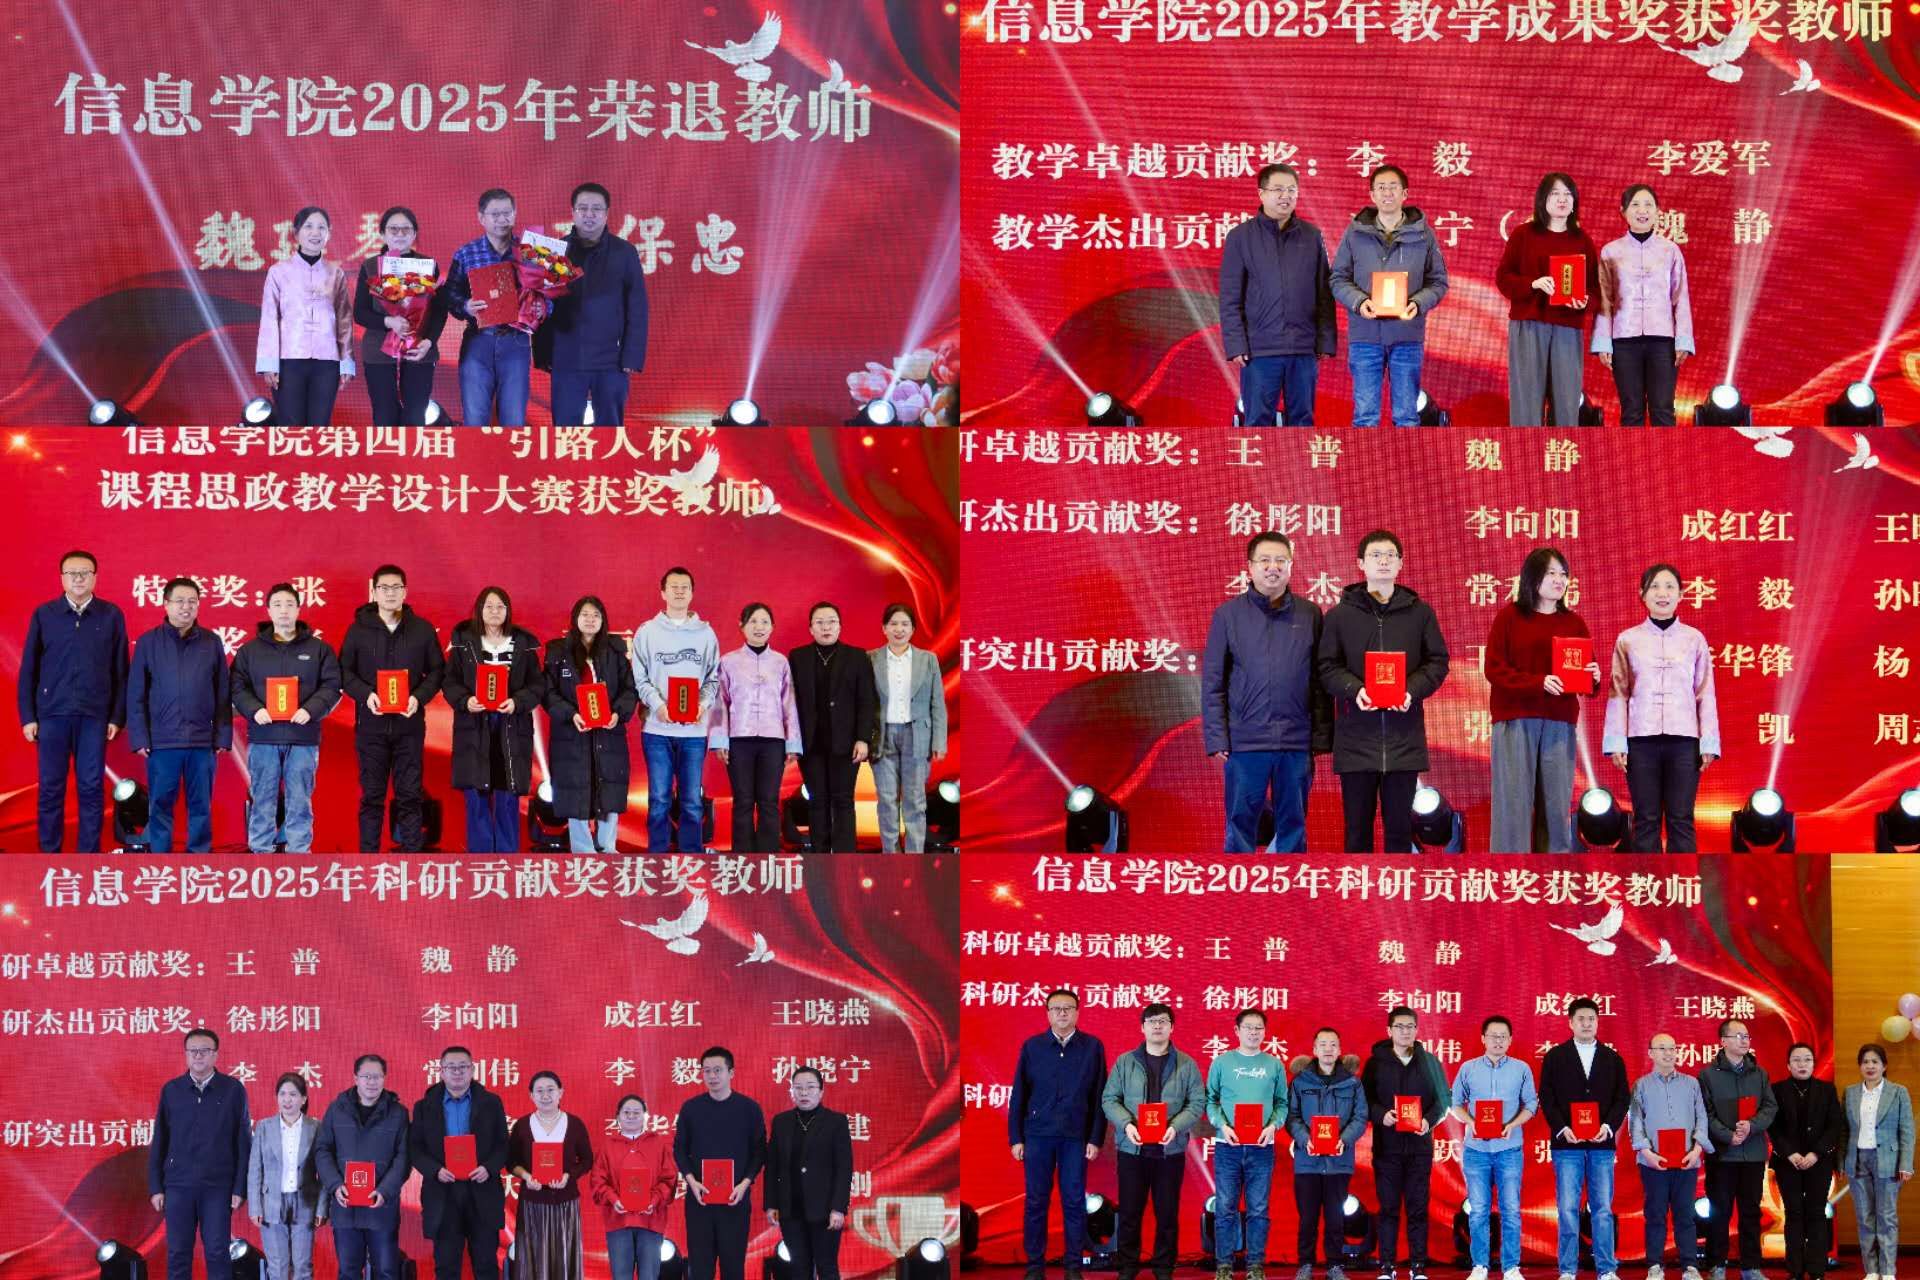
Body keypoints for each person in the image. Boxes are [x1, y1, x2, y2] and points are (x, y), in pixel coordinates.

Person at [1317, 530, 1449, 852]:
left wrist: (1411, 691)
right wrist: (1355, 690)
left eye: (1391, 555)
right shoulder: (1339, 616)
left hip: (1404, 741)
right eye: (1375, 555)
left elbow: (1437, 662)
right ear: (1360, 563)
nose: (1384, 561)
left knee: (1400, 836)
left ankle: (1397, 888)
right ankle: (1358, 888)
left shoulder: (1421, 614)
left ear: (1401, 563)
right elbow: (1327, 666)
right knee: (1357, 835)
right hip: (1356, 741)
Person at [1204, 532, 1332, 853]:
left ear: (1290, 566)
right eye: (1264, 560)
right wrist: (1218, 738)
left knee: (1293, 825)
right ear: (1250, 567)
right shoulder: (1228, 615)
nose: (1272, 567)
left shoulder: (1310, 614)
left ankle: (1290, 884)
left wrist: (1320, 737)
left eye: (1280, 560)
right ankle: (1239, 883)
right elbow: (1214, 682)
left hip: (1296, 742)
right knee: (1240, 824)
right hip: (1246, 742)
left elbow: (1319, 681)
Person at [1485, 548, 1603, 853]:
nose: (1559, 580)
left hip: (1559, 721)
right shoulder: (1510, 617)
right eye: (1551, 573)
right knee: (1513, 801)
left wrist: (1593, 676)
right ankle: (1510, 870)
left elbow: (1583, 675)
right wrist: (1538, 682)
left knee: (1556, 802)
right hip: (1516, 718)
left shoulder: (1573, 622)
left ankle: (1554, 871)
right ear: (1532, 577)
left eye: (1563, 574)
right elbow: (1494, 669)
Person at [1603, 564, 1720, 853]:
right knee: (1646, 819)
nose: (1662, 593)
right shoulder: (1628, 640)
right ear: (1642, 594)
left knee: (1681, 818)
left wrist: (1708, 742)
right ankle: (1648, 880)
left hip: (1684, 742)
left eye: (1669, 587)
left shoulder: (1694, 639)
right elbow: (1618, 692)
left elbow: (1705, 692)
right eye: (1654, 587)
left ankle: (1683, 880)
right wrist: (1617, 742)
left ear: (1681, 595)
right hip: (1641, 741)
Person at [20, 549, 127, 851]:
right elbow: (29, 669)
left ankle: (88, 857)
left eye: (85, 573)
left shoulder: (111, 615)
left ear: (95, 577)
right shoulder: (45, 615)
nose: (78, 578)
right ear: (62, 578)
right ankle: (50, 855)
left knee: (91, 787)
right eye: (72, 573)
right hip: (51, 715)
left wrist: (116, 716)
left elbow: (121, 670)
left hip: (94, 716)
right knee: (51, 788)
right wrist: (28, 716)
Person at [1329, 165, 1450, 427]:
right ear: (1372, 195)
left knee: (1406, 417)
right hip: (1365, 336)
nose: (1387, 193)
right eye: (1381, 188)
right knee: (1365, 417)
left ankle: (1404, 457)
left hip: (1407, 335)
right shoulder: (1355, 233)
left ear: (1405, 193)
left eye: (1393, 187)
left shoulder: (1423, 234)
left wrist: (1417, 303)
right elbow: (1337, 278)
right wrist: (1360, 302)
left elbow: (1439, 282)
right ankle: (1364, 457)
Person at [1219, 162, 1337, 425]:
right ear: (1261, 194)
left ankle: (1300, 457)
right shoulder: (1241, 237)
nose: (1286, 196)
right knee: (1258, 422)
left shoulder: (1312, 236)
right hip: (1260, 350)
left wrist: (1325, 341)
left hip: (1303, 349)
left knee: (1303, 421)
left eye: (1292, 190)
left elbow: (1324, 294)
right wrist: (1236, 344)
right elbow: (1230, 298)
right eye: (1278, 189)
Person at [337, 564, 444, 852]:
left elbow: (437, 671)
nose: (390, 593)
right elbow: (343, 672)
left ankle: (411, 859)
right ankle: (368, 862)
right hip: (371, 728)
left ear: (405, 592)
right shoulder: (358, 630)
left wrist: (418, 697)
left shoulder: (421, 629)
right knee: (371, 797)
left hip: (409, 726)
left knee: (410, 796)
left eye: (396, 587)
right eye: (384, 588)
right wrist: (366, 695)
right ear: (374, 592)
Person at [231, 584, 341, 853]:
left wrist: (311, 710)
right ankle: (260, 852)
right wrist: (255, 709)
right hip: (264, 737)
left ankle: (298, 853)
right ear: (268, 610)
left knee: (300, 800)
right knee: (262, 798)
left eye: (289, 604)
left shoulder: (319, 649)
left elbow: (332, 685)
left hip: (302, 737)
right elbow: (236, 687)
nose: (284, 610)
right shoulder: (250, 651)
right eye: (277, 605)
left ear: (298, 609)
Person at [1010, 989, 1110, 1280]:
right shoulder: (1033, 1047)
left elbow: (1099, 1096)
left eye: (1068, 1008)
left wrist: (1095, 1138)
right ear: (1048, 1014)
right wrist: (1016, 1138)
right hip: (1037, 1135)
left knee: (1074, 1202)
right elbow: (1019, 1095)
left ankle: (1073, 1267)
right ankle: (1035, 1267)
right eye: (1056, 1008)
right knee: (1036, 1202)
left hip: (1075, 1137)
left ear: (1078, 1012)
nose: (1062, 1013)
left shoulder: (1092, 1047)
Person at [1100, 1004, 1204, 1280]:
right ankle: (1128, 1267)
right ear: (1142, 1027)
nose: (1157, 1026)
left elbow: (1197, 1102)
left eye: (1163, 1021)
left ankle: (1163, 1267)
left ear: (1172, 1027)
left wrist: (1175, 1127)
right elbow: (1109, 1099)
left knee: (1167, 1213)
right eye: (1152, 1021)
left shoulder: (1186, 1064)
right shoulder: (1125, 1062)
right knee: (1130, 1212)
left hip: (1169, 1151)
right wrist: (1127, 1124)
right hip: (1132, 1150)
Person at [128, 576, 232, 853]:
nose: (186, 607)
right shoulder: (149, 642)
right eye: (180, 601)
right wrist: (139, 738)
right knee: (160, 804)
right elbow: (136, 694)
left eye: (192, 602)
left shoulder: (211, 642)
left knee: (201, 806)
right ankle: (161, 861)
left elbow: (223, 692)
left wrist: (222, 736)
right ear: (166, 604)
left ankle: (198, 859)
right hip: (162, 742)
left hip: (202, 742)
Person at [534, 182, 649, 425]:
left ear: (606, 213)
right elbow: (542, 302)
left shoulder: (624, 252)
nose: (589, 214)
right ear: (573, 212)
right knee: (565, 433)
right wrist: (543, 353)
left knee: (610, 431)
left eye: (596, 209)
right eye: (583, 208)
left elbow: (637, 308)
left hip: (611, 361)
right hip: (566, 358)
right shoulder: (555, 253)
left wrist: (631, 357)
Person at [443, 587, 546, 853]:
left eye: (500, 606)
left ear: (508, 611)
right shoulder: (464, 642)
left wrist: (517, 702)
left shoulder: (523, 644)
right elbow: (450, 681)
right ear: (479, 610)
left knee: (507, 793)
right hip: (474, 725)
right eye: (488, 606)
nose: (494, 611)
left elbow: (537, 684)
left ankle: (507, 862)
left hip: (511, 725)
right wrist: (465, 701)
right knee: (476, 795)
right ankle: (480, 862)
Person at [1495, 173, 1600, 426]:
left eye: (1567, 194)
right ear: (1543, 199)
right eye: (1555, 194)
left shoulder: (1582, 240)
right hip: (1529, 325)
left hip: (1567, 328)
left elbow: (1596, 292)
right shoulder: (1523, 235)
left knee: (1567, 400)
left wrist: (1584, 302)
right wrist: (1533, 284)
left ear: (1574, 202)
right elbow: (1503, 279)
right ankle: (1526, 449)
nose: (1562, 199)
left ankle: (1562, 450)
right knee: (1527, 399)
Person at [149, 1029, 251, 1280]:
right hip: (178, 1185)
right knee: (178, 1253)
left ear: (215, 1055)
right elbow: (160, 1140)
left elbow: (243, 1142)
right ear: (185, 1055)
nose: (198, 1056)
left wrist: (240, 1188)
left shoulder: (233, 1090)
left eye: (204, 1051)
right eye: (192, 1051)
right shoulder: (172, 1090)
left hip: (218, 1187)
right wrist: (156, 1187)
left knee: (217, 1252)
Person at [1539, 999, 1630, 1280]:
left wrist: (1608, 1126)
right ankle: (1567, 1269)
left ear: (1598, 1021)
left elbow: (1622, 1098)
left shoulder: (1612, 1058)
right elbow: (1547, 1097)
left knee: (1602, 1209)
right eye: (1581, 1019)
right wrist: (1561, 1128)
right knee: (1568, 1209)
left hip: (1601, 1145)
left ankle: (1607, 1269)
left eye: (1591, 1018)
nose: (1587, 1023)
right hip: (1567, 1145)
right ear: (1570, 1022)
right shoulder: (1556, 1057)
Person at [633, 566, 720, 853]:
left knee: (692, 800)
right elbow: (639, 677)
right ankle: (657, 857)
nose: (679, 591)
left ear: (692, 593)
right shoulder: (647, 632)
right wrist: (658, 705)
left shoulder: (706, 634)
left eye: (685, 587)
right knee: (658, 798)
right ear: (663, 592)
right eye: (674, 587)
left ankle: (691, 856)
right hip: (656, 730)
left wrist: (702, 705)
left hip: (694, 732)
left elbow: (713, 679)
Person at [1592, 184, 1694, 426]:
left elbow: (1681, 297)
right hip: (1624, 341)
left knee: (1663, 409)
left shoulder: (1670, 251)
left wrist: (1683, 340)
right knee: (1631, 411)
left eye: (1649, 205)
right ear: (1623, 211)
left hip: (1663, 342)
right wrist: (1603, 342)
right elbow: (1604, 299)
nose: (1642, 210)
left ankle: (1665, 452)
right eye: (1635, 205)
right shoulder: (1610, 252)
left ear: (1657, 211)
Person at [1360, 1007, 1450, 1280]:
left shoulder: (1430, 1062)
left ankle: (1418, 1266)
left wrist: (1428, 1121)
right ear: (1389, 1030)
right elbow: (1363, 1100)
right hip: (1387, 1148)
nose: (1405, 1031)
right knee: (1387, 1208)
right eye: (1399, 1026)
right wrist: (1381, 1115)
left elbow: (1444, 1100)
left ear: (1416, 1030)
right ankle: (1387, 1266)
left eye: (1410, 1026)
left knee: (1418, 1208)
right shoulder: (1375, 1063)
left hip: (1419, 1149)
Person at [543, 595, 638, 853]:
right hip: (572, 733)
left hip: (608, 733)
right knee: (575, 788)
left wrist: (617, 714)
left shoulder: (615, 652)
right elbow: (548, 692)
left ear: (603, 620)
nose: (590, 620)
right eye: (585, 614)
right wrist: (571, 714)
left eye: (596, 615)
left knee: (609, 786)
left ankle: (608, 848)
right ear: (575, 618)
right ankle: (582, 850)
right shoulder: (558, 652)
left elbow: (629, 689)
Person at [1448, 1016, 1538, 1280]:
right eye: (1493, 1036)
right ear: (1483, 1038)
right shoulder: (1468, 1068)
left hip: (1509, 1149)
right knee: (1478, 1211)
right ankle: (1480, 1266)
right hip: (1476, 1150)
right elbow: (1455, 1103)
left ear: (1510, 1040)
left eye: (1503, 1037)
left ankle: (1511, 1267)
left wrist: (1512, 1124)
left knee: (1511, 1210)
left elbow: (1531, 1104)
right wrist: (1471, 1122)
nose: (1498, 1041)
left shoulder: (1521, 1069)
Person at [410, 1046, 509, 1280]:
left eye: (463, 1067)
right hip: (442, 1194)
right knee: (446, 1267)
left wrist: (488, 1168)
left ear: (472, 1070)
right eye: (451, 1067)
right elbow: (415, 1148)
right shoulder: (424, 1106)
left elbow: (503, 1144)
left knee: (486, 1265)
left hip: (482, 1192)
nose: (457, 1072)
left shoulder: (491, 1102)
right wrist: (435, 1170)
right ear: (441, 1071)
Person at [712, 603, 801, 852]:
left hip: (773, 741)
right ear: (742, 626)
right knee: (743, 801)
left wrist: (792, 743)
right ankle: (742, 858)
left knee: (769, 801)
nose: (759, 627)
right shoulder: (728, 662)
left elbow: (789, 704)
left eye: (764, 622)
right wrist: (720, 741)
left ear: (772, 627)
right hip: (739, 740)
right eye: (753, 621)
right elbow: (719, 704)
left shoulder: (781, 663)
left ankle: (767, 856)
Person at [1206, 1009, 1288, 1280]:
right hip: (1227, 1146)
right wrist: (1222, 1125)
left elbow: (1282, 1103)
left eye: (1258, 1028)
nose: (1254, 1032)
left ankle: (1255, 1266)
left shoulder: (1274, 1065)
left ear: (1265, 1031)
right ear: (1237, 1030)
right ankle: (1224, 1266)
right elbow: (1211, 1100)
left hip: (1262, 1147)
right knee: (1225, 1208)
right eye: (1248, 1027)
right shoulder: (1222, 1062)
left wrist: (1273, 1126)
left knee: (1259, 1209)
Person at [674, 1046, 769, 1280]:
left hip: (735, 1201)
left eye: (718, 1070)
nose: (712, 1076)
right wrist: (691, 1181)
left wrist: (744, 1184)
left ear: (731, 1072)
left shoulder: (749, 1109)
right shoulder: (691, 1108)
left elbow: (759, 1152)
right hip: (700, 1202)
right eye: (706, 1071)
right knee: (700, 1268)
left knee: (733, 1268)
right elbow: (680, 1149)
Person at [789, 602, 877, 852]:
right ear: (811, 628)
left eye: (831, 622)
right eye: (819, 622)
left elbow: (866, 700)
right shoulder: (798, 657)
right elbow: (790, 702)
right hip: (811, 742)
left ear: (840, 626)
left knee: (843, 800)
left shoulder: (857, 657)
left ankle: (844, 856)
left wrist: (863, 738)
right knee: (817, 800)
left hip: (846, 743)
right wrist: (792, 740)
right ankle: (820, 856)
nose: (826, 627)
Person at [312, 1054, 409, 1280]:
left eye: (377, 1077)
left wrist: (385, 1191)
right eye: (366, 1076)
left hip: (381, 1208)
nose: (372, 1082)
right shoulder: (336, 1110)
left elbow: (404, 1157)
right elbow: (322, 1150)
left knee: (386, 1272)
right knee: (348, 1272)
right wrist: (335, 1185)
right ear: (355, 1078)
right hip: (345, 1207)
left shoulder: (398, 1113)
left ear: (385, 1078)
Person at [256, 206, 355, 425]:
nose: (315, 233)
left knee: (320, 427)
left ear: (328, 233)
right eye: (309, 226)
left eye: (321, 228)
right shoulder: (279, 272)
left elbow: (344, 320)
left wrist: (346, 361)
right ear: (296, 232)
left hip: (327, 363)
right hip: (289, 361)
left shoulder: (335, 273)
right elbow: (270, 318)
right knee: (291, 426)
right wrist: (269, 363)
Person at [353, 205, 449, 426]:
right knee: (384, 417)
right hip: (379, 353)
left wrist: (428, 342)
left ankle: (411, 453)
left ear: (414, 234)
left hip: (418, 351)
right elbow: (360, 313)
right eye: (393, 229)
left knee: (415, 417)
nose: (399, 234)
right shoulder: (370, 267)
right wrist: (389, 321)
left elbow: (440, 310)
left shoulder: (428, 266)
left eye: (406, 229)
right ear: (382, 233)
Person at [1628, 1033, 1712, 1280]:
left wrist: (1696, 1150)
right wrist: (1646, 1152)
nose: (1668, 1053)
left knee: (1685, 1215)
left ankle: (1690, 1266)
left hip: (1686, 1161)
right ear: (1651, 1053)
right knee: (1655, 1214)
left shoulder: (1691, 1084)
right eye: (1662, 1048)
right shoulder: (1641, 1085)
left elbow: (1702, 1117)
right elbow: (1635, 1122)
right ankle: (1655, 1266)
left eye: (1672, 1048)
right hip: (1653, 1163)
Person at [1697, 1019, 1777, 1280]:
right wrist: (1727, 1135)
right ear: (1723, 1041)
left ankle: (1751, 1267)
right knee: (1719, 1212)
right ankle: (1716, 1265)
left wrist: (1751, 1126)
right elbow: (1704, 1113)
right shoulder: (1708, 1075)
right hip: (1722, 1155)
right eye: (1738, 1036)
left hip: (1753, 1154)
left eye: (1746, 1036)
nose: (1744, 1040)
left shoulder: (1759, 1074)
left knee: (1751, 1212)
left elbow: (1770, 1107)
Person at [444, 187, 530, 426]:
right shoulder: (466, 254)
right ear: (481, 217)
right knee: (475, 420)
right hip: (478, 340)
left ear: (515, 213)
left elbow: (547, 293)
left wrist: (540, 308)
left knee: (514, 421)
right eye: (495, 214)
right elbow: (449, 294)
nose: (502, 219)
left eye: (507, 213)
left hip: (516, 340)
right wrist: (465, 306)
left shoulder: (529, 252)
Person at [867, 603, 948, 852]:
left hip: (918, 736)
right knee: (886, 800)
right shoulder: (870, 658)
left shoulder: (928, 659)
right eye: (893, 624)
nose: (899, 629)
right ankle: (891, 857)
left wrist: (939, 741)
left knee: (915, 800)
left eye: (905, 624)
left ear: (913, 629)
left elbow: (937, 702)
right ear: (884, 628)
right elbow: (863, 701)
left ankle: (914, 857)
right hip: (882, 736)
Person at [1288, 1028, 1367, 1280]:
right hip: (1307, 1162)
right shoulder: (1300, 1082)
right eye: (1323, 1044)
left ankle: (1335, 1265)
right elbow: (1292, 1116)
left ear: (1339, 1050)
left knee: (1335, 1218)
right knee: (1307, 1218)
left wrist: (1345, 1139)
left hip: (1338, 1162)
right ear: (1314, 1050)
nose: (1328, 1049)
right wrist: (1305, 1139)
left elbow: (1360, 1116)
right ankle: (1305, 1265)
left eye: (1333, 1044)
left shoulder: (1352, 1083)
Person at [764, 1067, 855, 1280]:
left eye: (810, 1087)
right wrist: (771, 1204)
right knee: (798, 1268)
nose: (804, 1093)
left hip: (825, 1211)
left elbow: (844, 1168)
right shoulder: (781, 1122)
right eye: (798, 1088)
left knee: (826, 1267)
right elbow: (772, 1167)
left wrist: (838, 1208)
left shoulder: (836, 1122)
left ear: (821, 1091)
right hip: (791, 1210)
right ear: (792, 1092)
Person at [509, 1071, 595, 1280]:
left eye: (550, 1090)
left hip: (565, 1201)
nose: (545, 1095)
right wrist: (527, 1176)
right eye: (539, 1091)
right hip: (532, 1202)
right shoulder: (522, 1126)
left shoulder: (574, 1124)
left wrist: (569, 1176)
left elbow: (587, 1160)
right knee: (533, 1260)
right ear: (531, 1095)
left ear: (561, 1092)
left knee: (563, 1257)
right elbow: (511, 1162)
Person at [1770, 1043, 1842, 1280]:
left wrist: (1815, 1154)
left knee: (1817, 1214)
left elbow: (1834, 1126)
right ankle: (1795, 1270)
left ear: (1814, 1064)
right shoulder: (1777, 1090)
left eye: (1807, 1059)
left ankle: (1817, 1270)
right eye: (1797, 1060)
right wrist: (1790, 1153)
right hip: (1787, 1162)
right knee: (1793, 1214)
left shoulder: (1827, 1090)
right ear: (1788, 1065)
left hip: (1818, 1162)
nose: (1802, 1064)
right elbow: (1773, 1126)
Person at [1843, 1044, 1914, 1280]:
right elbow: (1844, 1131)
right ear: (1859, 1066)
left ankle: (1888, 1271)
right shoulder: (1850, 1093)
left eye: (1875, 1061)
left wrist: (1906, 1164)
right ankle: (1872, 1270)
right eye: (1865, 1062)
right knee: (1864, 1218)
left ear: (1884, 1066)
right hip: (1857, 1161)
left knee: (1886, 1217)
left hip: (1888, 1162)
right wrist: (1841, 1162)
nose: (1870, 1066)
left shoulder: (1898, 1092)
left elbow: (1907, 1131)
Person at [247, 1073, 327, 1280]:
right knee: (277, 1267)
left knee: (303, 1266)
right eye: (282, 1094)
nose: (287, 1099)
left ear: (304, 1099)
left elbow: (324, 1172)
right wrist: (255, 1206)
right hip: (271, 1202)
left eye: (293, 1094)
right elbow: (255, 1169)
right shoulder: (264, 1127)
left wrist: (321, 1207)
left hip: (305, 1202)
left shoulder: (316, 1127)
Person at [589, 1095, 677, 1280]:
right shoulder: (607, 1146)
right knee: (621, 1275)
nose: (631, 1116)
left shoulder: (658, 1144)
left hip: (651, 1220)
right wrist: (614, 1199)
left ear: (645, 1116)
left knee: (649, 1276)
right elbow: (597, 1181)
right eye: (626, 1112)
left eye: (636, 1113)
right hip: (618, 1221)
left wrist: (653, 1200)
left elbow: (669, 1179)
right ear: (618, 1117)